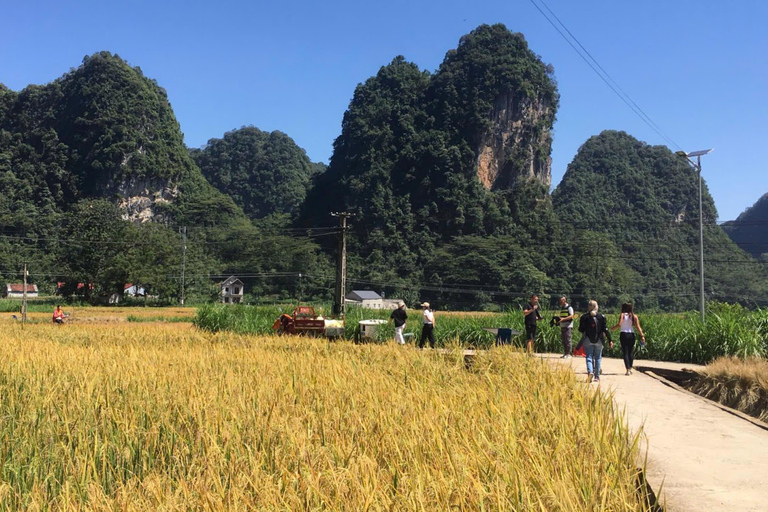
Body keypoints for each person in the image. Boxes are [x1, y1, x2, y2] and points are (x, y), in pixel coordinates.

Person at [578, 300, 613, 383]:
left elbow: (581, 329)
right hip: (599, 340)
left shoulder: (584, 317)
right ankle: (597, 376)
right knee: (598, 358)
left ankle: (590, 372)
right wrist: (610, 340)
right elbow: (605, 329)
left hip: (587, 339)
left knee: (589, 357)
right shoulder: (601, 317)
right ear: (596, 307)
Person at [611, 302, 646, 376]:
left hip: (623, 334)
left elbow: (620, 324)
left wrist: (613, 328)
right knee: (630, 352)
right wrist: (642, 335)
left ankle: (627, 369)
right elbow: (638, 327)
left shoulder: (622, 315)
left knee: (625, 352)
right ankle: (630, 368)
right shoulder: (634, 316)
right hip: (631, 334)